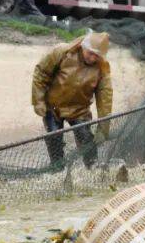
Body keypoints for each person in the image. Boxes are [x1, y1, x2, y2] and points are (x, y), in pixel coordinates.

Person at [32, 31, 112, 168]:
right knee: (54, 137)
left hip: (80, 110)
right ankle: (57, 169)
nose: (93, 58)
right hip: (54, 106)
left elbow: (105, 98)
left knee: (86, 138)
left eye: (97, 56)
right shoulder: (62, 52)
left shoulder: (102, 68)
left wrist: (103, 129)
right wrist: (38, 101)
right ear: (83, 46)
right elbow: (41, 73)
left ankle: (92, 168)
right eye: (90, 53)